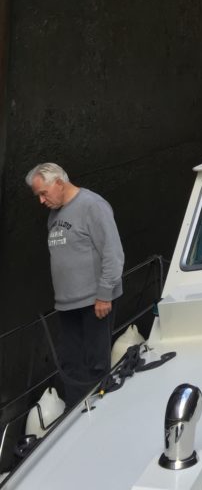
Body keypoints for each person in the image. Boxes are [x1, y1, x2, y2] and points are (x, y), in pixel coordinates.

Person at [26, 162, 124, 406]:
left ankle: (100, 414)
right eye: (38, 195)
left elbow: (113, 252)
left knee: (96, 364)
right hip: (66, 304)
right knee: (71, 365)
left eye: (43, 193)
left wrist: (104, 295)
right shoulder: (54, 214)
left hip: (94, 302)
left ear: (59, 183)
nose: (41, 200)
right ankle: (74, 416)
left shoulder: (93, 205)